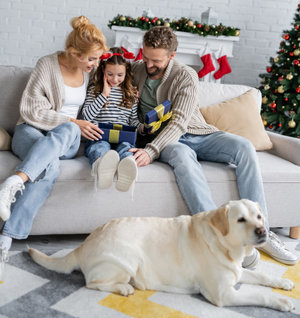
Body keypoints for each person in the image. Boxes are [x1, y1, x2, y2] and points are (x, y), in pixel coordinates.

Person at [130, 26, 298, 267]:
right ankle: (217, 238)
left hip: (196, 132)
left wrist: (151, 151)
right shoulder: (135, 70)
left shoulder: (185, 75)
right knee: (183, 159)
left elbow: (179, 121)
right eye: (145, 57)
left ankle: (262, 232)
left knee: (244, 147)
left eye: (156, 60)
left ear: (172, 56)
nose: (148, 64)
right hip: (169, 140)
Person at [0, 15, 107, 279]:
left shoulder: (90, 74)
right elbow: (31, 109)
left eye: (97, 59)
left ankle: (15, 181)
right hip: (30, 131)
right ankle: (7, 238)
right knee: (50, 166)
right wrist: (72, 120)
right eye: (91, 59)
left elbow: (85, 116)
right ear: (74, 53)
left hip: (67, 140)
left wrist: (76, 123)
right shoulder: (47, 64)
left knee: (70, 129)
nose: (95, 65)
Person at [82, 47, 141, 192]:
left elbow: (133, 121)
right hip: (99, 135)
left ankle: (127, 165)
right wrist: (104, 94)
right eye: (110, 74)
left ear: (126, 72)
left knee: (126, 148)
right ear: (103, 71)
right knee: (100, 147)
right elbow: (87, 117)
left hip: (122, 137)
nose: (115, 79)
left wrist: (143, 127)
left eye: (120, 75)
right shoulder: (94, 91)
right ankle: (100, 165)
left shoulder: (130, 93)